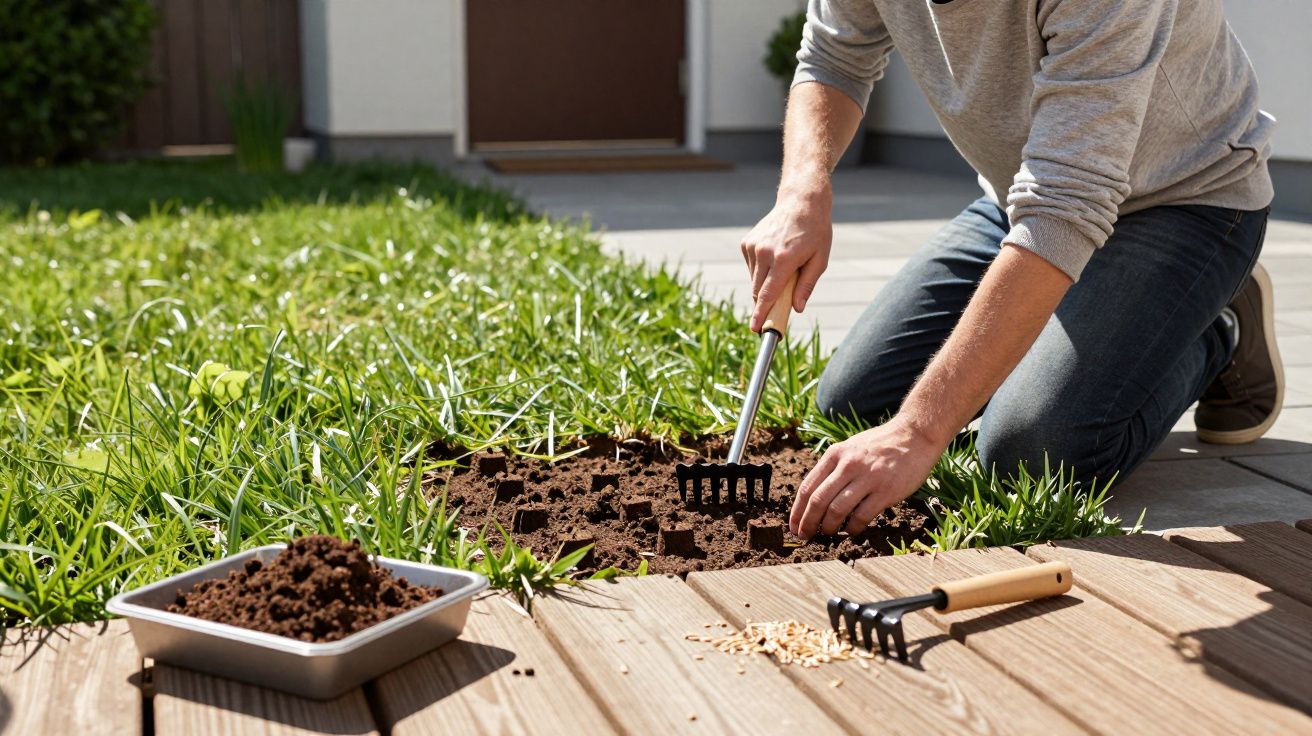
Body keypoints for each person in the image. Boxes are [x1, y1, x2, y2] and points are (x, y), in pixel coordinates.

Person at [739, 0, 1283, 541]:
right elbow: (834, 56)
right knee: (855, 405)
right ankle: (1115, 314)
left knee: (1029, 453)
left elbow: (1065, 207)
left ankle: (1216, 328)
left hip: (1185, 199)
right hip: (1020, 200)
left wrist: (919, 433)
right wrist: (801, 190)